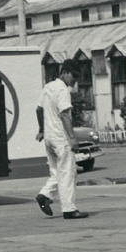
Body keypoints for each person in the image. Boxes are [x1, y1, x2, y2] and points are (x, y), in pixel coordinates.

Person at [35, 59, 88, 219]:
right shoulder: (62, 90)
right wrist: (72, 138)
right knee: (67, 173)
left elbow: (38, 109)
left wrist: (42, 129)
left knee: (56, 172)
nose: (75, 80)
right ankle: (69, 209)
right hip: (61, 138)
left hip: (49, 137)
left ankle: (45, 195)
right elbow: (65, 114)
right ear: (64, 72)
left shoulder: (48, 87)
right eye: (74, 76)